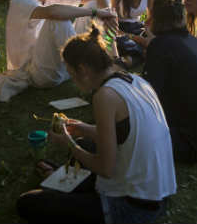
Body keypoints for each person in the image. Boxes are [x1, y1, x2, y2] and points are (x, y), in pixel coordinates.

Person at [16, 27, 176, 224]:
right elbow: (126, 134)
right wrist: (82, 128)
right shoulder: (135, 80)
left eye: (71, 73)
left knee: (28, 203)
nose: (73, 80)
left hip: (133, 208)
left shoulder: (104, 96)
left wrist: (69, 144)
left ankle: (67, 186)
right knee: (86, 142)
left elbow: (105, 168)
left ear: (82, 69)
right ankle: (65, 181)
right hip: (158, 193)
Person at [134, 0, 197, 163]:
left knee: (128, 122)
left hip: (190, 145)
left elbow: (147, 100)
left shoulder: (161, 48)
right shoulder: (190, 40)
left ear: (154, 17)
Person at [5, 0, 118, 88]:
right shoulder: (21, 2)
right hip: (35, 74)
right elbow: (53, 13)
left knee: (93, 3)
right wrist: (95, 12)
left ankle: (111, 59)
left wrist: (107, 13)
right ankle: (89, 69)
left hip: (60, 64)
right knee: (58, 20)